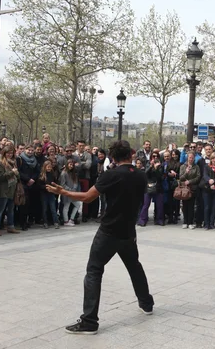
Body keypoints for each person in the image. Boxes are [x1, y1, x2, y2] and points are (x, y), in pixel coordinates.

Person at [46, 140, 153, 334]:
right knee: (134, 266)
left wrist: (63, 192)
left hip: (109, 231)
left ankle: (89, 321)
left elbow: (88, 197)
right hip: (129, 230)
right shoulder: (140, 175)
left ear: (112, 157)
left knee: (94, 270)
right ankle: (146, 303)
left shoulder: (111, 174)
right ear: (130, 154)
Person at [0, 146, 20, 235]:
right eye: (8, 153)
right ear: (4, 153)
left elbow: (17, 175)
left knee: (11, 210)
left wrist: (16, 173)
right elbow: (0, 176)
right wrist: (12, 172)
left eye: (11, 153)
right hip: (3, 189)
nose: (9, 155)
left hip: (12, 189)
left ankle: (10, 226)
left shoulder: (13, 162)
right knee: (0, 210)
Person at [138, 152, 165, 227]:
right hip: (149, 186)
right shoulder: (147, 164)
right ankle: (142, 220)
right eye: (153, 156)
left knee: (159, 205)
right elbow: (146, 173)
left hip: (158, 187)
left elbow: (160, 176)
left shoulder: (160, 165)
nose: (155, 157)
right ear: (151, 157)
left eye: (157, 156)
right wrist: (151, 166)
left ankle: (159, 219)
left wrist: (156, 168)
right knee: (146, 204)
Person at [179, 151, 201, 229]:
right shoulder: (183, 166)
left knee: (191, 206)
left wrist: (190, 181)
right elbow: (181, 177)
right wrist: (186, 172)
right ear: (187, 158)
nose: (191, 159)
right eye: (189, 157)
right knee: (185, 206)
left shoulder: (196, 167)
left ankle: (190, 222)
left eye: (192, 157)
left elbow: (198, 177)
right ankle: (185, 221)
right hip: (184, 189)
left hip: (193, 188)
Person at [60, 159, 82, 226]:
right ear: (67, 164)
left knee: (78, 204)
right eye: (70, 164)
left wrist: (74, 188)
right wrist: (69, 189)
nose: (71, 166)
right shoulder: (63, 173)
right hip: (66, 193)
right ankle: (66, 221)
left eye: (72, 165)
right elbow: (62, 184)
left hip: (73, 193)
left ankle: (71, 219)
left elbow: (75, 182)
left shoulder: (73, 173)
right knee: (66, 206)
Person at [38, 160, 59, 229]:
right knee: (45, 209)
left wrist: (53, 188)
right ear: (44, 167)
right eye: (48, 167)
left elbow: (55, 183)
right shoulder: (42, 175)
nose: (49, 168)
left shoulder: (53, 174)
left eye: (50, 167)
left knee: (53, 208)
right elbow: (39, 185)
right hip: (44, 194)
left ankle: (56, 222)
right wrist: (45, 187)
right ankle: (45, 222)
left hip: (51, 193)